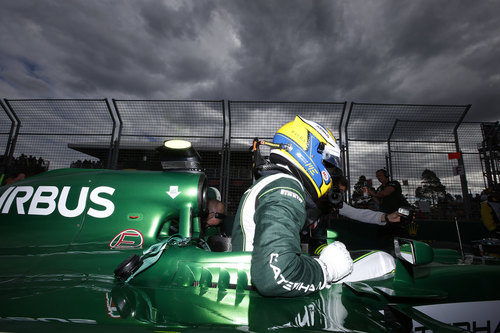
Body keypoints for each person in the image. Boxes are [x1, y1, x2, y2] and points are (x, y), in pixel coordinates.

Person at [231, 116, 354, 297]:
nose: (328, 173)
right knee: (383, 262)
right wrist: (326, 270)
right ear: (309, 151)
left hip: (245, 291)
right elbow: (276, 276)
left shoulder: (272, 182)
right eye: (328, 164)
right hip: (252, 300)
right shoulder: (285, 185)